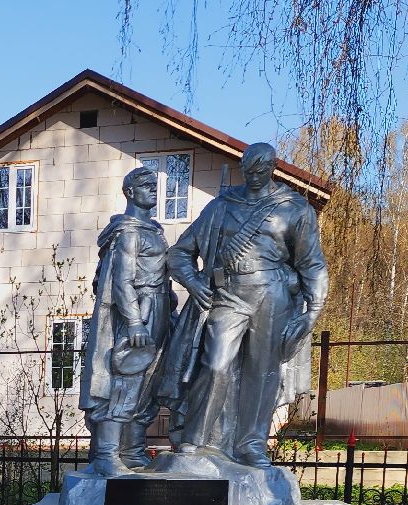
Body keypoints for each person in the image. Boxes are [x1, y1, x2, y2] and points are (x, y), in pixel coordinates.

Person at [158, 141, 328, 467]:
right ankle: (196, 439)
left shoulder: (294, 209)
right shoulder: (222, 205)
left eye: (260, 171)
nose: (253, 176)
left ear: (272, 168)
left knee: (262, 372)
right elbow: (180, 253)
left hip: (273, 295)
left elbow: (312, 264)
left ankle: (251, 444)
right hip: (229, 294)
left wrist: (313, 311)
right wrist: (193, 283)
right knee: (216, 363)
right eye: (248, 170)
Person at [81, 166, 176, 474]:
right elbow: (122, 281)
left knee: (149, 383)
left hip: (159, 310)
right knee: (124, 380)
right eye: (146, 185)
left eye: (154, 185)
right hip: (138, 311)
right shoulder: (129, 232)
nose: (153, 189)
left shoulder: (154, 230)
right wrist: (135, 321)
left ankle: (133, 450)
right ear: (130, 192)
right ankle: (108, 454)